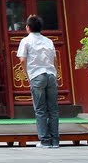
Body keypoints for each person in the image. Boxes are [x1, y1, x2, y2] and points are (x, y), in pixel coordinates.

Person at [17, 15, 59, 148]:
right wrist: (55, 73)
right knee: (53, 109)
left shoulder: (26, 41)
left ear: (28, 28)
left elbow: (23, 60)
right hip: (51, 75)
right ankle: (55, 140)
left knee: (40, 109)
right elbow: (55, 60)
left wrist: (28, 75)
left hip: (37, 75)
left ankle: (45, 141)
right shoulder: (49, 41)